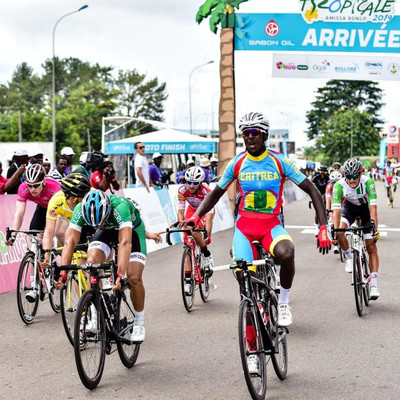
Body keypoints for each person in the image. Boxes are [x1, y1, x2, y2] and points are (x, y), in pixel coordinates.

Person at [181, 112, 331, 327]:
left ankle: (283, 303)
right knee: (243, 278)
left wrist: (323, 227)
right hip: (245, 227)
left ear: (265, 135)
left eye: (254, 133)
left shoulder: (279, 161)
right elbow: (215, 193)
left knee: (286, 253)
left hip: (271, 224)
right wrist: (196, 217)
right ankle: (253, 324)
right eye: (245, 133)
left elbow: (312, 190)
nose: (249, 137)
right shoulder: (238, 163)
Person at [56, 189, 162, 342]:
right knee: (91, 264)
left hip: (132, 232)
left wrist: (119, 274)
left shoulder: (121, 207)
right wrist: (63, 273)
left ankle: (139, 321)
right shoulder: (80, 210)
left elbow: (125, 243)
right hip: (107, 232)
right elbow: (69, 242)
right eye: (94, 224)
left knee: (134, 277)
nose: (97, 226)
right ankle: (96, 312)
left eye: (100, 222)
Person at [332, 158, 380, 299]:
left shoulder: (368, 183)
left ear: (360, 174)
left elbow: (373, 209)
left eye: (355, 176)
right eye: (348, 177)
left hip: (365, 210)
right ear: (344, 175)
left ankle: (374, 285)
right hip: (350, 209)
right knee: (340, 233)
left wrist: (374, 228)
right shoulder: (339, 186)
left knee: (371, 246)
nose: (352, 180)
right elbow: (336, 210)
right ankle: (350, 258)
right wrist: (335, 231)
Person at [177, 166, 215, 293]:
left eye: (194, 183)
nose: (191, 186)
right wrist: (182, 223)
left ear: (200, 183)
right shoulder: (182, 190)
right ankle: (188, 279)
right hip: (192, 210)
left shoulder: (206, 192)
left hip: (205, 211)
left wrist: (207, 233)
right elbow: (180, 211)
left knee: (195, 230)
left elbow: (209, 218)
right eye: (189, 182)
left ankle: (206, 253)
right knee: (187, 240)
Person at [41, 173, 92, 267]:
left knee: (92, 263)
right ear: (72, 198)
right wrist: (47, 255)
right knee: (76, 264)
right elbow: (49, 231)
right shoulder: (56, 201)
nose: (87, 198)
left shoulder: (91, 196)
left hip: (91, 223)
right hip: (76, 225)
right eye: (83, 196)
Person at [325, 170, 342, 254]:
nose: (335, 184)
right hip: (334, 203)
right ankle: (335, 243)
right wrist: (328, 209)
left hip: (343, 202)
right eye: (333, 182)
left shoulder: (344, 184)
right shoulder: (329, 186)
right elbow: (328, 198)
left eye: (337, 182)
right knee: (335, 222)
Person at [311, 165, 330, 235]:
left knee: (325, 211)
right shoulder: (315, 178)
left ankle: (324, 226)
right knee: (317, 212)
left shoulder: (328, 178)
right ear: (319, 172)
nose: (323, 174)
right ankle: (316, 226)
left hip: (325, 195)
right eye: (321, 173)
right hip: (317, 195)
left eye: (324, 173)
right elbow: (311, 188)